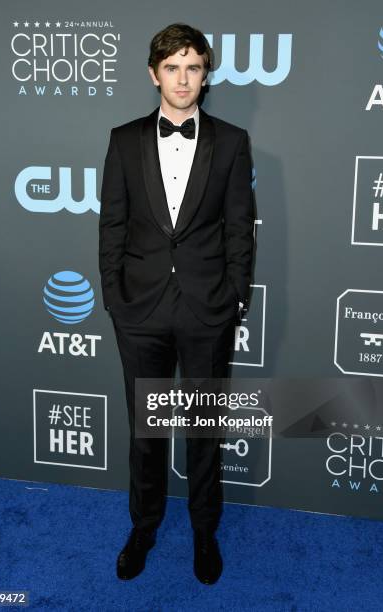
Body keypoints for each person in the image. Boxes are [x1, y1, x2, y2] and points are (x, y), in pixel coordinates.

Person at [99, 22, 255, 585]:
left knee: (203, 432)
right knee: (146, 433)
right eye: (172, 67)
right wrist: (115, 298)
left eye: (192, 67)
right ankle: (142, 527)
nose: (182, 78)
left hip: (206, 310)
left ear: (205, 74)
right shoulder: (124, 139)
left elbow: (241, 229)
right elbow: (111, 224)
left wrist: (234, 294)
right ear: (153, 74)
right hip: (139, 311)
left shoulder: (233, 141)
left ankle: (204, 532)